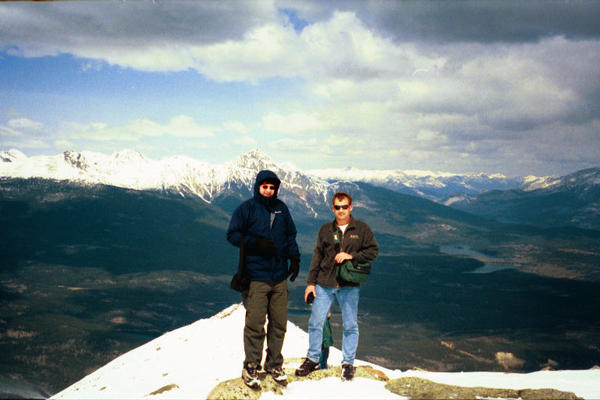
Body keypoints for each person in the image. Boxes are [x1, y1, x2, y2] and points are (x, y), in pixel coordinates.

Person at [227, 170, 301, 389]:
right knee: (255, 324)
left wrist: (294, 258)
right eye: (265, 187)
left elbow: (290, 236)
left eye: (272, 187)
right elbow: (232, 235)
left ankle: (274, 364)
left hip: (279, 277)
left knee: (279, 323)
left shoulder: (282, 209)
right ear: (258, 187)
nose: (268, 191)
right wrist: (254, 243)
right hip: (256, 277)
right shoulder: (247, 208)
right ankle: (251, 366)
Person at [295, 192, 378, 381]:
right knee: (316, 322)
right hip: (325, 283)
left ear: (351, 207)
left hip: (349, 283)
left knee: (350, 325)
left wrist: (352, 257)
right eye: (337, 207)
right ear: (333, 208)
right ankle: (313, 359)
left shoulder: (362, 228)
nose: (341, 210)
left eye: (344, 206)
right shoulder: (325, 230)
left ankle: (348, 363)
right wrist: (310, 283)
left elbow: (373, 251)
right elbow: (317, 256)